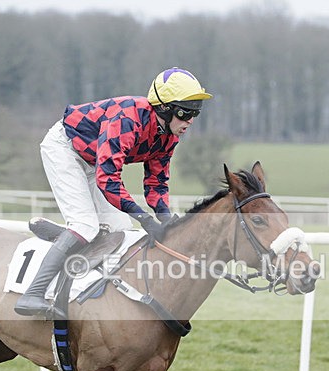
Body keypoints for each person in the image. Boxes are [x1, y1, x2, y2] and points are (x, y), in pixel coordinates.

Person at [14, 67, 212, 317]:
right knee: (85, 225)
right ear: (165, 108)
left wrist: (166, 218)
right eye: (186, 113)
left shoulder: (169, 136)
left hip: (92, 159)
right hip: (64, 149)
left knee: (120, 227)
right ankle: (33, 294)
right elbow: (108, 178)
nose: (190, 121)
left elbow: (156, 182)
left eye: (196, 113)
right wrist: (145, 218)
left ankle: (67, 244)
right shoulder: (128, 118)